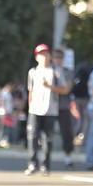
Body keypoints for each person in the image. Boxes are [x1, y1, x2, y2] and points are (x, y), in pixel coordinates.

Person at [25, 44, 67, 175]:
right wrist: (30, 106)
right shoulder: (32, 72)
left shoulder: (56, 71)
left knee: (47, 138)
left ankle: (45, 165)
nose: (43, 57)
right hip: (35, 109)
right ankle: (32, 163)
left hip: (50, 109)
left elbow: (64, 89)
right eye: (40, 54)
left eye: (45, 54)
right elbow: (30, 91)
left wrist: (50, 87)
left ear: (49, 56)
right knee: (32, 136)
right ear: (37, 57)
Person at [51, 49, 76, 167]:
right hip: (49, 105)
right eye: (56, 57)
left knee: (66, 132)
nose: (58, 60)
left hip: (63, 106)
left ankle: (68, 156)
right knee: (46, 132)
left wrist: (51, 87)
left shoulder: (68, 72)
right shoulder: (47, 71)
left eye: (60, 58)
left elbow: (67, 89)